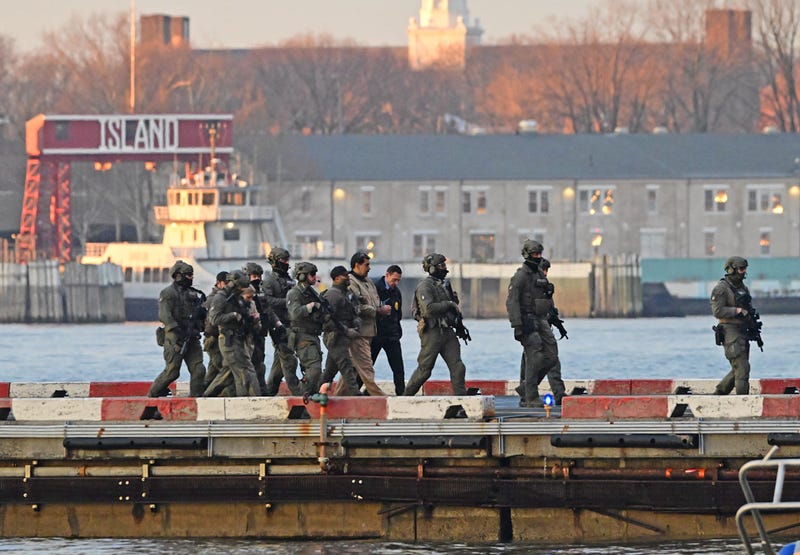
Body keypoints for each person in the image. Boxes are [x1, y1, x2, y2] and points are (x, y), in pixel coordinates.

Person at [506, 240, 562, 408]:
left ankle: (525, 388)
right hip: (527, 320)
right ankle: (531, 396)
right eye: (534, 254)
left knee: (551, 356)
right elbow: (512, 301)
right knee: (535, 356)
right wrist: (517, 325)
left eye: (539, 254)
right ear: (527, 255)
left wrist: (552, 313)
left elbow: (545, 297)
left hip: (541, 319)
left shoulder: (539, 274)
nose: (537, 257)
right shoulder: (521, 276)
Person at [404, 253, 467, 396]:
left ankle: (461, 399)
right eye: (441, 265)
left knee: (458, 367)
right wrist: (448, 304)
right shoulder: (425, 286)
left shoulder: (444, 285)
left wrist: (458, 321)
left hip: (447, 332)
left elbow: (453, 307)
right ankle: (405, 397)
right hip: (432, 332)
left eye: (445, 265)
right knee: (424, 370)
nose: (445, 268)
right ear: (432, 268)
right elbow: (429, 309)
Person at [148, 260, 207, 398]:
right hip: (174, 339)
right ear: (178, 275)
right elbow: (165, 316)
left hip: (192, 337)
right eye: (188, 275)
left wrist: (201, 321)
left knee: (199, 370)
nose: (191, 278)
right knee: (172, 372)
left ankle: (196, 400)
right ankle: (152, 395)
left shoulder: (194, 294)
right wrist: (177, 335)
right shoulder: (168, 293)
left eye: (192, 275)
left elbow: (201, 314)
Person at [515, 258, 567, 406]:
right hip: (531, 329)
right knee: (529, 362)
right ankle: (526, 396)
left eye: (546, 270)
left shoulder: (544, 286)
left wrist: (555, 321)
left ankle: (558, 393)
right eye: (543, 270)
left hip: (544, 328)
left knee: (552, 360)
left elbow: (549, 307)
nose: (545, 273)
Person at [208, 271, 263, 396]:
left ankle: (207, 396)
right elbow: (214, 319)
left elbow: (243, 316)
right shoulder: (221, 298)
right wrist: (233, 315)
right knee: (244, 371)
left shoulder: (236, 298)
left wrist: (251, 319)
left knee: (231, 372)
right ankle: (249, 399)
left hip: (239, 337)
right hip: (228, 338)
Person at [348, 251, 390, 396]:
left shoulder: (368, 281)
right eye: (366, 265)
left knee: (354, 368)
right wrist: (378, 311)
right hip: (358, 332)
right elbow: (357, 306)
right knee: (366, 366)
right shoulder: (351, 282)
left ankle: (340, 396)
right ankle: (379, 396)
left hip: (370, 331)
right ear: (357, 265)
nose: (369, 268)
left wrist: (381, 308)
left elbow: (375, 300)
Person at [262, 247, 303, 396]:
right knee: (289, 360)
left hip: (291, 323)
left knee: (279, 363)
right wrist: (288, 301)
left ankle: (269, 392)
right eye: (283, 260)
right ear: (274, 261)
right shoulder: (269, 281)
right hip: (278, 325)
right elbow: (267, 301)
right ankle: (298, 394)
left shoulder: (290, 280)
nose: (286, 263)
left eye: (287, 260)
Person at [712, 256, 755, 395]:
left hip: (743, 330)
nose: (744, 272)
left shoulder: (743, 288)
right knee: (742, 368)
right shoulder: (721, 289)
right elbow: (717, 311)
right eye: (741, 269)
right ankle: (743, 401)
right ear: (732, 269)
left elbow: (748, 308)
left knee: (740, 367)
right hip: (730, 331)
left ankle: (719, 393)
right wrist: (736, 311)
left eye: (745, 268)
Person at [320, 266, 362, 395]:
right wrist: (346, 330)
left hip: (346, 335)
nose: (348, 278)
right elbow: (327, 320)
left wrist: (356, 322)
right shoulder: (332, 295)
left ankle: (316, 390)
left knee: (330, 369)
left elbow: (355, 311)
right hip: (336, 336)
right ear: (337, 278)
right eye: (345, 276)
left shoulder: (348, 294)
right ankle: (355, 393)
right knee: (346, 365)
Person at [286, 261, 325, 396]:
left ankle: (309, 396)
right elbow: (294, 313)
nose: (314, 277)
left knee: (316, 371)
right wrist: (310, 306)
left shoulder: (311, 292)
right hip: (302, 336)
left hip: (313, 335)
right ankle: (302, 396)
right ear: (302, 276)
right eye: (312, 274)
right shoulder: (294, 293)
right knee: (314, 369)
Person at [371, 265, 405, 395]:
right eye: (394, 280)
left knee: (398, 369)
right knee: (367, 367)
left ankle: (401, 395)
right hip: (376, 335)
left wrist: (397, 331)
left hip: (392, 336)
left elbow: (398, 313)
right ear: (387, 275)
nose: (395, 283)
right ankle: (355, 393)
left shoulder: (396, 292)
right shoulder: (375, 288)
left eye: (398, 281)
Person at [202, 271, 230, 396]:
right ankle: (208, 394)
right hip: (213, 339)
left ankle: (201, 392)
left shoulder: (223, 297)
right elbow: (212, 323)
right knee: (224, 367)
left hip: (220, 338)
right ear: (219, 283)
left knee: (213, 371)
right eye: (226, 283)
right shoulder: (213, 299)